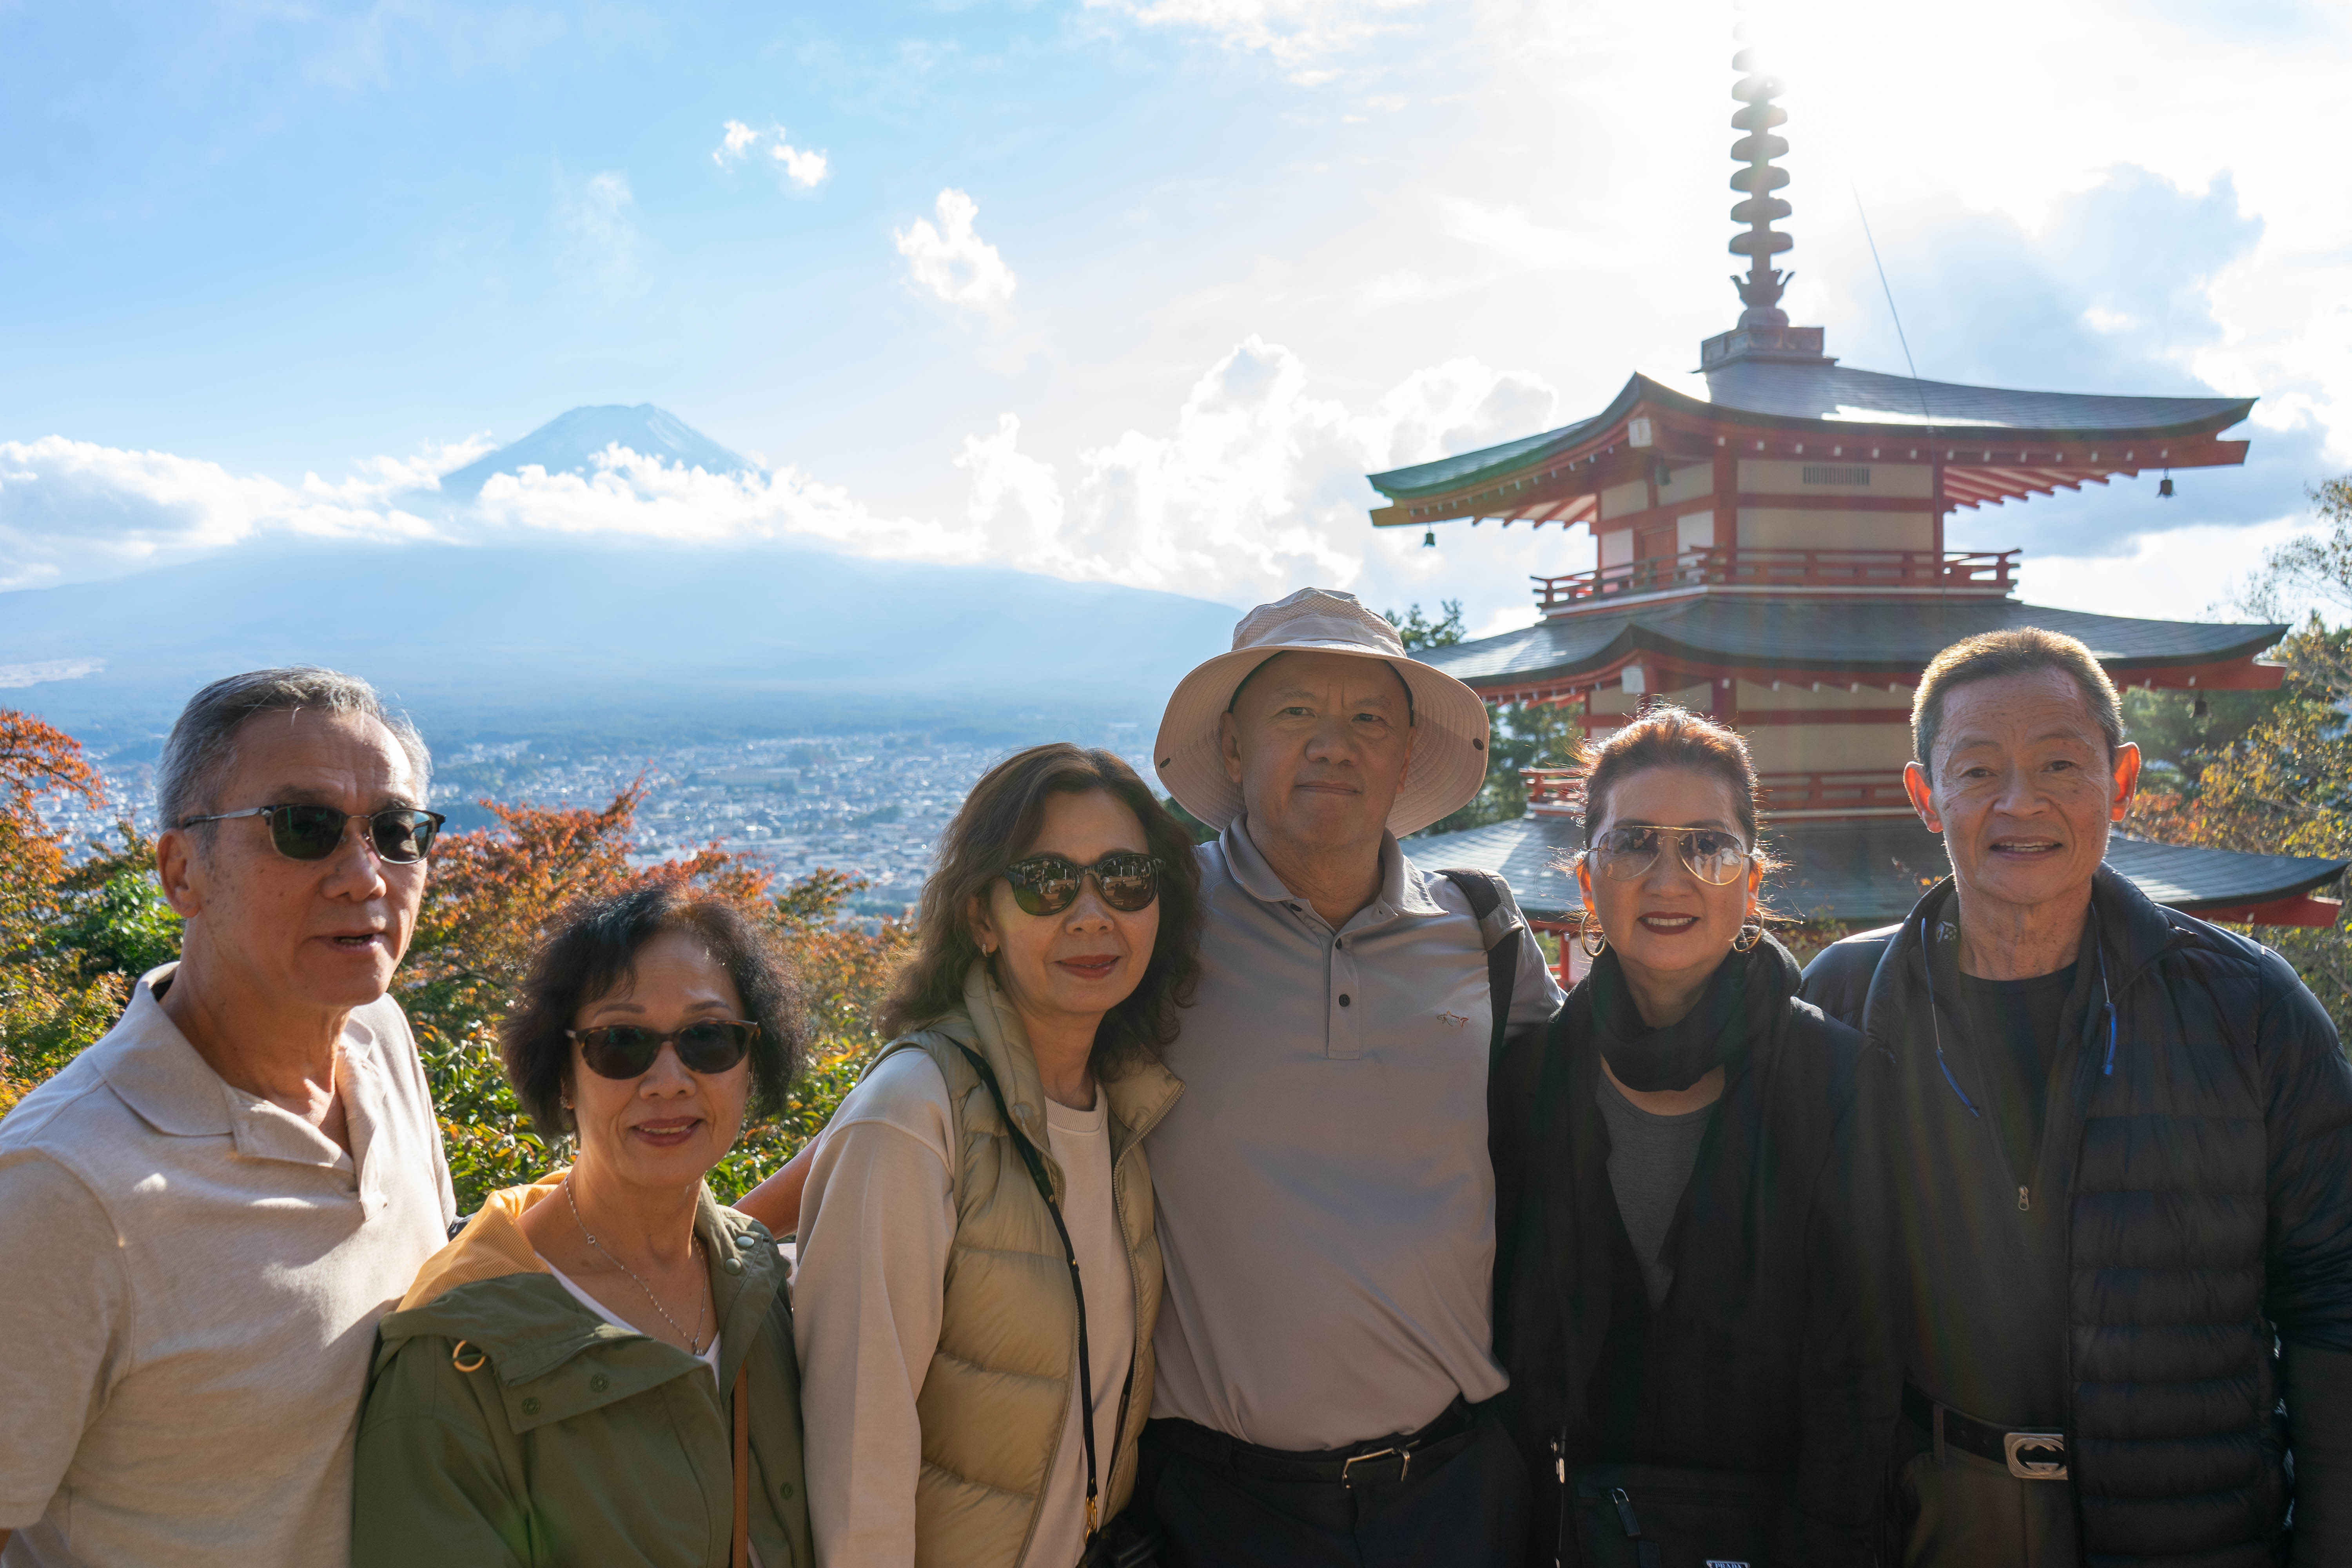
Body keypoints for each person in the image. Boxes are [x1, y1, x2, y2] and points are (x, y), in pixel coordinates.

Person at [742, 588, 1563, 1564]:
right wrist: (651, 1243)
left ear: (1404, 754)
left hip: (1454, 1490)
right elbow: (953, 1089)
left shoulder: (1480, 931)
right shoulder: (1153, 917)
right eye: (1295, 712)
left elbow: (1590, 1118)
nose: (1334, 744)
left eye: (1369, 718)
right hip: (1217, 1503)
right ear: (1232, 746)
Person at [1802, 627, 2352, 1568]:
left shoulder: (2248, 1008)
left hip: (2193, 1522)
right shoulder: (1848, 1003)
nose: (2023, 802)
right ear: (1925, 795)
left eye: (2061, 761)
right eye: (1978, 771)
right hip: (1930, 1514)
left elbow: (2332, 1293)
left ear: (2123, 778)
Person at [0, 667, 457, 1568]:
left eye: (398, 833)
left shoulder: (380, 1040)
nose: (365, 875)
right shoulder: (62, 1188)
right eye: (305, 828)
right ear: (181, 871)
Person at [1488, 706, 1895, 1568]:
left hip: (1784, 1532)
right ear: (1587, 879)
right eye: (1633, 841)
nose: (1669, 876)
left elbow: (1858, 1372)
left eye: (1707, 846)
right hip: (1574, 1533)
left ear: (1751, 882)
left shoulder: (1835, 1077)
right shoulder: (1528, 1081)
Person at [787, 744, 1199, 1567]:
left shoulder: (1124, 1108)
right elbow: (854, 1448)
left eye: (1125, 878)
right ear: (980, 915)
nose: (1092, 916)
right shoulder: (914, 1114)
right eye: (1047, 881)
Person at [352, 880, 814, 1567]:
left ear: (752, 1066)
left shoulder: (757, 1283)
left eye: (708, 1039)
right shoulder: (455, 1362)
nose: (668, 1080)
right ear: (564, 1078)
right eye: (621, 1044)